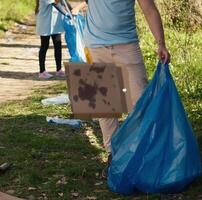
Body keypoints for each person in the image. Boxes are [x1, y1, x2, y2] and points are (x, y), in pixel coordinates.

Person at [73, 0, 171, 178]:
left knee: (140, 103)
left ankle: (141, 154)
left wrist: (161, 43)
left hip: (127, 45)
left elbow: (149, 9)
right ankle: (114, 156)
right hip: (94, 45)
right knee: (104, 107)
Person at [35, 0, 68, 79]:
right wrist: (66, 13)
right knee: (44, 46)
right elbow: (56, 4)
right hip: (45, 23)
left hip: (55, 23)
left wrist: (71, 10)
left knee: (58, 45)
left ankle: (59, 69)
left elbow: (64, 2)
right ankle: (42, 71)